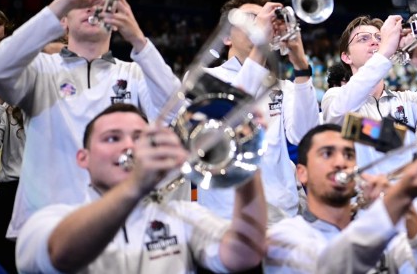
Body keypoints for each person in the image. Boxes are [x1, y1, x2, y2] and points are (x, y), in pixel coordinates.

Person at [0, 0, 181, 239]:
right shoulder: (40, 68)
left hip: (118, 226)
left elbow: (175, 111)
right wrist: (63, 0)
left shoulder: (134, 72)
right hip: (47, 229)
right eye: (80, 3)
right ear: (63, 20)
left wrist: (138, 39)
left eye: (102, 4)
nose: (91, 10)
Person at [16, 104, 266, 273]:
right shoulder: (49, 219)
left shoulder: (183, 214)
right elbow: (62, 253)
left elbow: (244, 255)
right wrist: (136, 185)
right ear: (83, 158)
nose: (129, 147)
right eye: (112, 138)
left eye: (139, 138)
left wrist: (246, 162)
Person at [264, 124, 417, 273]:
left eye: (349, 155)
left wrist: (406, 210)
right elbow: (332, 264)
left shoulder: (384, 233)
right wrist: (398, 197)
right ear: (302, 173)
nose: (341, 162)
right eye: (327, 154)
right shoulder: (284, 236)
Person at [196, 0, 319, 224]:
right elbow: (228, 118)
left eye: (264, 19)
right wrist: (260, 48)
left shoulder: (283, 86)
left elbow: (305, 136)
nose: (260, 23)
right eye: (251, 18)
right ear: (226, 37)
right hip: (225, 215)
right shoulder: (205, 78)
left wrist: (302, 68)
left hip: (282, 214)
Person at [321, 15, 417, 175]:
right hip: (365, 194)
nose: (374, 42)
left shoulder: (408, 100)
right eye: (363, 39)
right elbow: (337, 113)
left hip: (408, 195)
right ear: (346, 56)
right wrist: (385, 50)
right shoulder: (335, 96)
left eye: (379, 38)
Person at [0, 93, 24, 273]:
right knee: (4, 257)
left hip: (45, 192)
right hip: (10, 192)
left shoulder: (54, 105)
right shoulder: (8, 107)